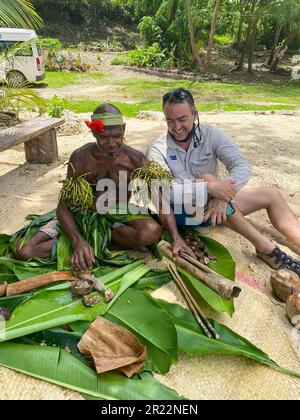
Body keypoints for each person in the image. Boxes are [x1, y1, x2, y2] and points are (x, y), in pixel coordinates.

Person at [15, 103, 193, 271]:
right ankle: (90, 243)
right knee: (24, 250)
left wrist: (176, 238)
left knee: (151, 231)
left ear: (123, 129)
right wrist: (77, 240)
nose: (111, 143)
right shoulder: (81, 157)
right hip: (82, 216)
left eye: (116, 136)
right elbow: (63, 206)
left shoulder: (135, 160)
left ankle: (97, 241)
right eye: (104, 137)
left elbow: (159, 200)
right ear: (94, 133)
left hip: (117, 217)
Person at [147, 88, 300, 276]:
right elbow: (165, 191)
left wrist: (223, 196)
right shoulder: (157, 148)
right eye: (170, 120)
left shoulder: (211, 134)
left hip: (217, 209)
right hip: (183, 213)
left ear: (194, 114)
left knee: (271, 194)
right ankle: (265, 248)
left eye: (182, 119)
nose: (176, 127)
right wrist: (210, 187)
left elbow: (241, 165)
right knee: (207, 178)